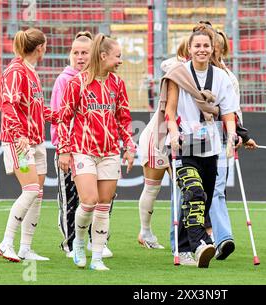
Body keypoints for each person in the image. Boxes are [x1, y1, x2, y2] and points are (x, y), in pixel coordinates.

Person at [162, 25, 239, 268]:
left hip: (211, 145)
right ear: (189, 48)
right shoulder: (178, 74)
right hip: (184, 144)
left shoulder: (221, 77)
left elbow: (227, 112)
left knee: (201, 198)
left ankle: (187, 247)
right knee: (193, 191)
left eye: (206, 46)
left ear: (212, 48)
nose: (202, 50)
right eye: (197, 46)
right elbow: (170, 110)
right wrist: (173, 133)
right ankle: (199, 243)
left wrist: (232, 135)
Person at [57, 33, 136, 271]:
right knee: (89, 201)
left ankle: (98, 257)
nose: (120, 61)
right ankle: (79, 243)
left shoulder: (117, 84)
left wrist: (129, 146)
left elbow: (123, 118)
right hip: (83, 150)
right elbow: (63, 118)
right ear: (103, 56)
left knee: (104, 204)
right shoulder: (76, 83)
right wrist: (63, 150)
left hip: (110, 151)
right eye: (118, 56)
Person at [50, 31, 113, 259]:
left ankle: (99, 241)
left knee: (102, 198)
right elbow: (60, 117)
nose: (79, 57)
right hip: (71, 150)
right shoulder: (64, 80)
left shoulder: (103, 79)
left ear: (94, 55)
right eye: (75, 52)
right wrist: (62, 150)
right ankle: (70, 243)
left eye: (84, 52)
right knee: (71, 199)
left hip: (98, 150)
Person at [0, 28, 56, 262]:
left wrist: (60, 115)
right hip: (19, 141)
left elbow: (37, 108)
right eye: (45, 45)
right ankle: (6, 243)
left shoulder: (31, 72)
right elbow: (8, 105)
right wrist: (18, 134)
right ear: (40, 47)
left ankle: (25, 247)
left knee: (37, 194)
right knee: (31, 189)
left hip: (36, 140)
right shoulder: (16, 71)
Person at [205, 26, 257, 260]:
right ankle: (202, 236)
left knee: (217, 189)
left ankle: (220, 237)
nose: (216, 48)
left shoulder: (225, 73)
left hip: (224, 133)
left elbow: (232, 109)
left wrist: (241, 134)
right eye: (214, 44)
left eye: (218, 45)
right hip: (201, 134)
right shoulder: (197, 70)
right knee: (199, 189)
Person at [136, 38, 190, 251]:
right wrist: (181, 61)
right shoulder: (176, 69)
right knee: (152, 188)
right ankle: (145, 231)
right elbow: (165, 64)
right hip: (158, 136)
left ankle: (190, 235)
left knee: (186, 186)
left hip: (183, 138)